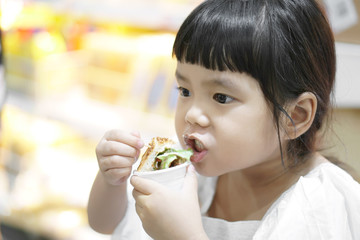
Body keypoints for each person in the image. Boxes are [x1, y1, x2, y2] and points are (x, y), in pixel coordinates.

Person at [87, 0, 360, 239]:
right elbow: (107, 224)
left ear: (295, 117)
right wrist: (112, 180)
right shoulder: (191, 168)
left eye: (221, 97)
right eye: (185, 91)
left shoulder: (321, 209)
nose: (192, 113)